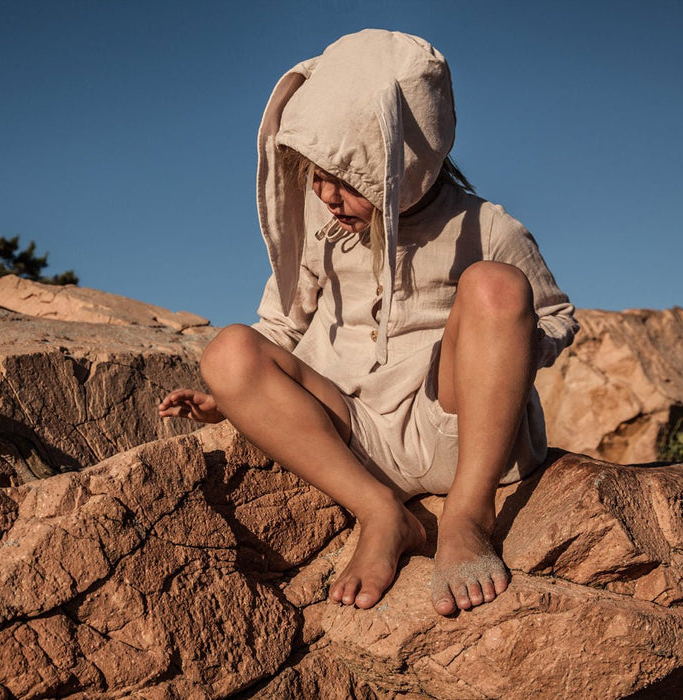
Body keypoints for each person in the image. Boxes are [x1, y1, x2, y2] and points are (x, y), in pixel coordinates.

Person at [158, 29, 577, 616]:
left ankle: (467, 514)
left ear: (405, 165)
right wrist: (229, 399)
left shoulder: (487, 226)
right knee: (227, 351)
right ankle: (381, 513)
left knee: (496, 285)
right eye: (316, 175)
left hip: (458, 429)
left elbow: (555, 318)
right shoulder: (321, 221)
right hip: (348, 437)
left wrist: (502, 346)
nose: (327, 194)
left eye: (349, 180)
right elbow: (280, 325)